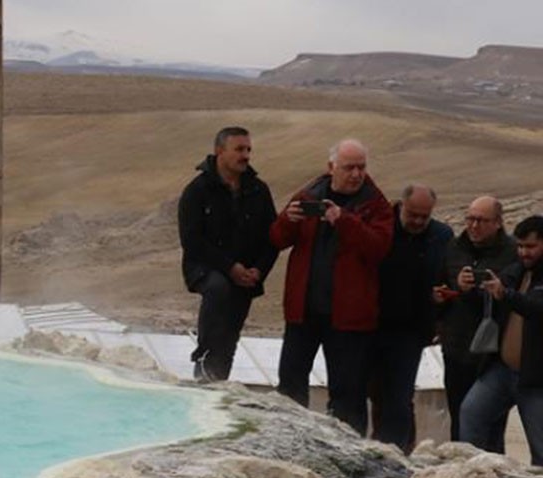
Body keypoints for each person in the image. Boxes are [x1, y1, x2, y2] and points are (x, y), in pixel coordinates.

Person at [270, 138, 393, 434]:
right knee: (290, 385)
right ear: (331, 167)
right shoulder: (309, 194)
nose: (356, 174)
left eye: (361, 167)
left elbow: (379, 248)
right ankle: (288, 439)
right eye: (349, 167)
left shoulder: (375, 204)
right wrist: (288, 220)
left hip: (349, 318)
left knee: (348, 393)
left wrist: (344, 220)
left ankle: (348, 449)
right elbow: (277, 239)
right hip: (304, 311)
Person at [176, 127, 278, 382]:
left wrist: (259, 270)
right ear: (219, 151)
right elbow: (191, 240)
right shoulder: (197, 191)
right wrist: (230, 267)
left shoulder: (258, 190)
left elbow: (272, 237)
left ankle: (217, 383)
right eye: (239, 149)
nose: (246, 156)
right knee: (219, 289)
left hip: (246, 274)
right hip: (206, 268)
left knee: (230, 335)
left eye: (248, 149)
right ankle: (203, 362)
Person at [368, 184, 452, 452]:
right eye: (412, 215)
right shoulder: (380, 228)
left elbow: (446, 276)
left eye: (424, 217)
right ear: (400, 206)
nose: (417, 221)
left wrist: (440, 300)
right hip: (371, 324)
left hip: (412, 330)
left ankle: (396, 452)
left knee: (399, 396)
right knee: (372, 391)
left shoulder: (441, 236)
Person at [459, 215, 543, 465]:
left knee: (540, 447)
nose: (524, 252)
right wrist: (470, 288)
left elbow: (536, 308)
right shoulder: (518, 270)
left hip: (536, 378)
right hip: (502, 370)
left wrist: (506, 295)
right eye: (520, 246)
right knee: (471, 415)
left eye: (531, 246)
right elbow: (493, 292)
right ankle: (476, 475)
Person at [436, 196, 517, 446]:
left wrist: (474, 291)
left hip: (492, 353)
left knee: (490, 423)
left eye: (481, 220)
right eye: (470, 219)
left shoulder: (513, 253)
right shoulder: (454, 247)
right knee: (459, 418)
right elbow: (442, 284)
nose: (474, 226)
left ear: (498, 222)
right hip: (456, 347)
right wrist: (446, 293)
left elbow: (509, 298)